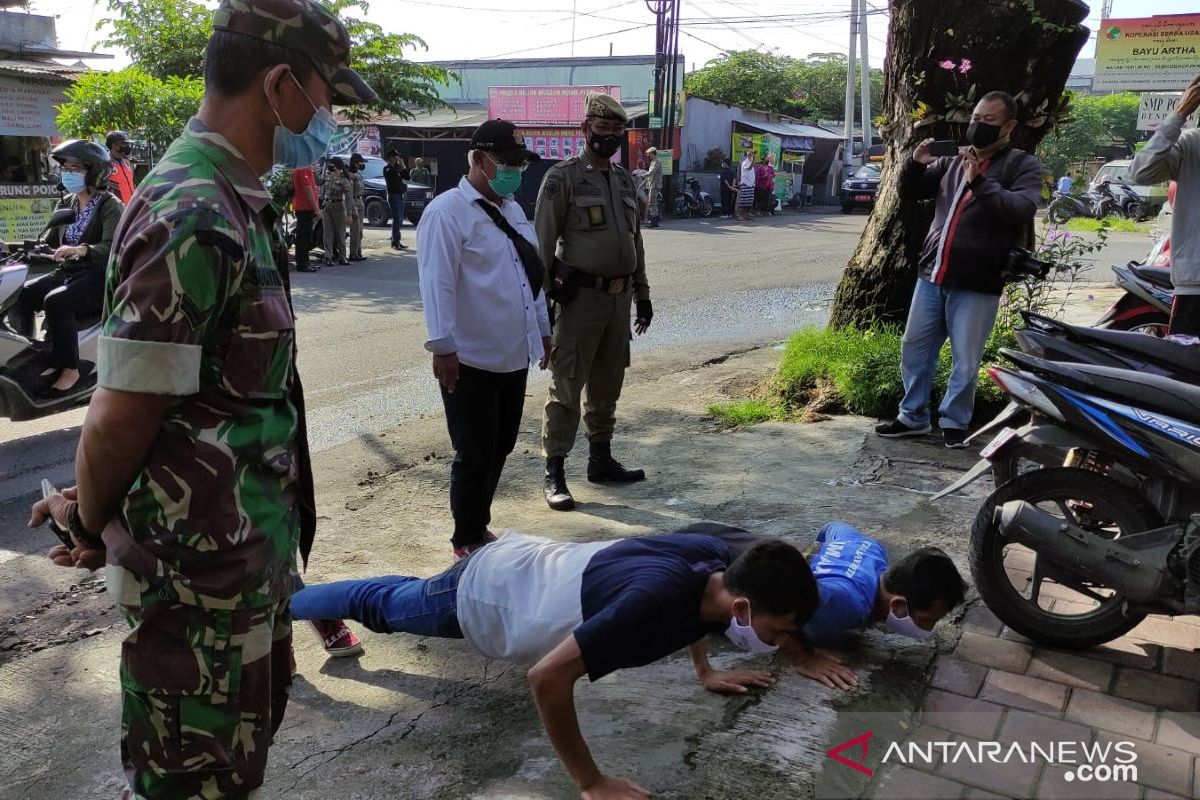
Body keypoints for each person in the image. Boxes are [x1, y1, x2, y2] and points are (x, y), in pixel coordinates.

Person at [26, 2, 376, 795]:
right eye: (330, 97)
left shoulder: (233, 198)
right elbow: (121, 413)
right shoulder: (193, 211)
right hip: (197, 596)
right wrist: (91, 515)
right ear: (281, 85)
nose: (331, 119)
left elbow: (196, 400)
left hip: (237, 572)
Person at [289, 527, 818, 799]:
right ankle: (279, 601)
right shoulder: (654, 602)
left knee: (400, 595)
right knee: (385, 606)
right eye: (779, 631)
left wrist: (706, 671)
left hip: (526, 567)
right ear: (745, 608)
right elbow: (546, 678)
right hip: (487, 593)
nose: (778, 642)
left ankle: (292, 596)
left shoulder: (714, 569)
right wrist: (590, 781)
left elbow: (695, 617)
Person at [875, 91, 1042, 448]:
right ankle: (913, 416)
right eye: (975, 119)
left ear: (1009, 126)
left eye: (988, 122)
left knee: (965, 360)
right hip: (932, 274)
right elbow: (911, 192)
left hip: (978, 281)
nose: (977, 127)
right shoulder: (952, 158)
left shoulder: (1020, 165)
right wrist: (916, 163)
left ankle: (954, 421)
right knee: (914, 349)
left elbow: (1020, 208)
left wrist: (978, 182)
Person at [418, 119, 551, 559]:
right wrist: (442, 347)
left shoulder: (512, 210)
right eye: (507, 162)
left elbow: (528, 279)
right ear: (479, 160)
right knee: (474, 451)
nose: (516, 171)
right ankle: (466, 539)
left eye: (520, 162)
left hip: (512, 355)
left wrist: (543, 332)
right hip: (469, 358)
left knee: (501, 445)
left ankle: (478, 525)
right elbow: (437, 284)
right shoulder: (447, 211)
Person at [535, 92, 653, 512]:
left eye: (617, 132)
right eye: (603, 130)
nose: (610, 138)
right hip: (579, 298)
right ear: (586, 130)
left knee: (607, 383)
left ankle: (600, 460)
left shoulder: (623, 179)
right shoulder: (562, 178)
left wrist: (642, 294)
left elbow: (633, 240)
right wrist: (544, 306)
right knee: (567, 384)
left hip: (618, 300)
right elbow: (543, 245)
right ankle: (555, 471)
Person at [692, 521, 966, 690]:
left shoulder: (871, 549)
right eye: (928, 620)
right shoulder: (846, 604)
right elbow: (794, 609)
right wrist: (802, 656)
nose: (929, 629)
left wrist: (815, 557)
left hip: (709, 534)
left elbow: (832, 528)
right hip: (703, 569)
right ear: (898, 606)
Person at [8, 140, 123, 396]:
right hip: (69, 273)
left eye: (75, 168)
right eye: (66, 168)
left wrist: (83, 249)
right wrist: (10, 247)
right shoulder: (69, 203)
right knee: (21, 295)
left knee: (57, 301)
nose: (68, 173)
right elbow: (47, 246)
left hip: (98, 276)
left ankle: (70, 369)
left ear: (93, 171)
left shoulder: (109, 205)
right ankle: (29, 356)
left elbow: (113, 246)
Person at [1131, 74, 1200, 337]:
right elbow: (1141, 173)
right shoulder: (1191, 143)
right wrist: (1178, 116)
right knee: (1186, 374)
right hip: (1196, 287)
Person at [321, 155, 351, 265]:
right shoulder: (328, 175)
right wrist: (314, 173)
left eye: (331, 164)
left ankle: (342, 256)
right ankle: (328, 256)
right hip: (327, 205)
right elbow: (319, 182)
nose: (329, 166)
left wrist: (349, 213)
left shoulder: (344, 179)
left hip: (338, 206)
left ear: (336, 166)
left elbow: (348, 197)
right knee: (327, 233)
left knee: (340, 233)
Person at [291, 162, 320, 272]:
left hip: (305, 207)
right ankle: (302, 263)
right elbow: (307, 189)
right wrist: (317, 209)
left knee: (306, 236)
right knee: (304, 237)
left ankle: (305, 261)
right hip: (304, 207)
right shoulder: (303, 168)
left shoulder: (303, 167)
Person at [384, 149, 408, 250]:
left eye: (397, 157)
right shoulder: (387, 168)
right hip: (393, 196)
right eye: (395, 157)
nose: (397, 159)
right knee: (397, 218)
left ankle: (397, 240)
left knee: (400, 219)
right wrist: (398, 167)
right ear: (390, 158)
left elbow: (407, 177)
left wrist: (403, 167)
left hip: (400, 195)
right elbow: (393, 176)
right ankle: (394, 242)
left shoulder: (398, 168)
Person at [106, 131, 137, 204]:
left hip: (130, 207)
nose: (127, 147)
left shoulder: (127, 163)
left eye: (127, 144)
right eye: (123, 144)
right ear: (113, 145)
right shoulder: (105, 164)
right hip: (117, 210)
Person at [347, 152, 366, 261]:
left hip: (360, 202)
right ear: (355, 163)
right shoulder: (350, 175)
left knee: (360, 230)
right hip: (353, 202)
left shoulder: (358, 174)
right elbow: (349, 193)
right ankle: (353, 253)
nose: (362, 164)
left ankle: (358, 252)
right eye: (360, 162)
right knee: (355, 230)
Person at [643, 146, 662, 228]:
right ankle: (655, 219)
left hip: (655, 185)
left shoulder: (656, 162)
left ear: (653, 153)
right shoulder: (653, 161)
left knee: (651, 203)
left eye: (649, 154)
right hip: (652, 184)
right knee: (652, 203)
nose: (648, 156)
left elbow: (651, 172)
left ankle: (654, 220)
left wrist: (642, 175)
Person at [736, 151, 756, 221]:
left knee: (749, 202)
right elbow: (749, 168)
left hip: (751, 185)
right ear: (747, 156)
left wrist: (754, 183)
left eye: (752, 155)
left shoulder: (751, 163)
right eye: (750, 155)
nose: (752, 156)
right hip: (745, 184)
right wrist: (753, 160)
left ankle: (746, 215)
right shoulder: (744, 162)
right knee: (743, 201)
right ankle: (740, 215)